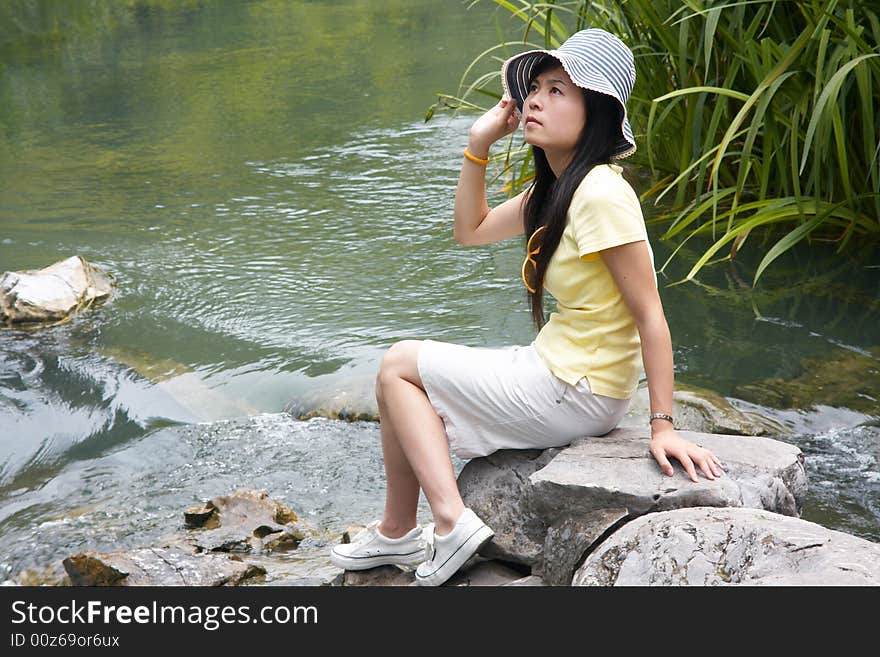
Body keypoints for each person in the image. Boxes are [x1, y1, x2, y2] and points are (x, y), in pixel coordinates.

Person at [330, 28, 724, 586]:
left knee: (398, 364)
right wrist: (479, 143)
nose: (535, 99)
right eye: (534, 88)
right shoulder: (559, 190)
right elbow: (470, 231)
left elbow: (651, 316)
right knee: (400, 380)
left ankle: (448, 524)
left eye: (558, 90)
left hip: (579, 387)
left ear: (599, 113)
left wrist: (662, 425)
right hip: (561, 370)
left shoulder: (602, 194)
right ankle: (397, 532)